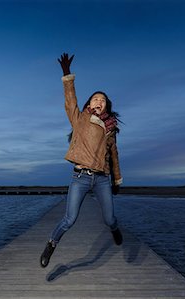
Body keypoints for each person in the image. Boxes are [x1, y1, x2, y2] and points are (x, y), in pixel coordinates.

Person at [40, 53, 124, 268]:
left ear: (106, 106)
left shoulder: (111, 128)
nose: (99, 101)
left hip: (103, 179)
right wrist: (67, 75)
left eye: (102, 100)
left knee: (110, 219)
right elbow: (70, 102)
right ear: (90, 103)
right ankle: (51, 245)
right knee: (69, 219)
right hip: (81, 177)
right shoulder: (80, 119)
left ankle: (115, 230)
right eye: (96, 98)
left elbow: (113, 155)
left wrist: (116, 180)